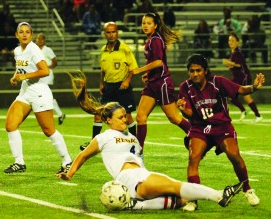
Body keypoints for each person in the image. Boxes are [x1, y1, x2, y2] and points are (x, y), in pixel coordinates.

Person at [57, 72, 243, 211]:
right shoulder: (103, 137)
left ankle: (134, 205)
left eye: (125, 116)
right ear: (108, 120)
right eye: (121, 117)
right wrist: (70, 173)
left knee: (180, 200)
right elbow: (83, 155)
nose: (125, 120)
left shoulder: (132, 138)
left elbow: (139, 159)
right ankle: (219, 196)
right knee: (176, 186)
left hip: (141, 176)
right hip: (131, 178)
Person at [177, 54, 263, 211]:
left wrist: (254, 87)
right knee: (193, 158)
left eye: (198, 70)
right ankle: (193, 199)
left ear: (205, 71)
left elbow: (240, 90)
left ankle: (247, 189)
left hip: (221, 126)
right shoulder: (185, 87)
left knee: (234, 156)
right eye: (191, 71)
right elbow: (190, 113)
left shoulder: (218, 82)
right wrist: (182, 110)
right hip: (199, 128)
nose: (195, 74)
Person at [4, 22, 72, 174]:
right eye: (21, 32)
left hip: (39, 92)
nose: (24, 34)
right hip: (25, 92)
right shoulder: (17, 50)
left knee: (49, 130)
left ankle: (67, 161)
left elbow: (45, 70)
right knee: (10, 125)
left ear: (31, 35)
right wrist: (15, 77)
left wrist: (25, 76)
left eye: (27, 32)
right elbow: (21, 68)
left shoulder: (33, 49)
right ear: (17, 35)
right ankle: (19, 162)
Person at [130, 12, 191, 155]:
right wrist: (148, 74)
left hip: (162, 84)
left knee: (174, 118)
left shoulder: (155, 40)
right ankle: (139, 152)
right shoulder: (152, 39)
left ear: (155, 25)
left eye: (149, 23)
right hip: (153, 83)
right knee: (140, 117)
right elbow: (155, 62)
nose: (145, 26)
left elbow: (158, 62)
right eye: (144, 23)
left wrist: (140, 70)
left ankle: (198, 135)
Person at [79, 22, 138, 151]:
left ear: (117, 33)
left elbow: (134, 68)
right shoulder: (103, 50)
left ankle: (135, 143)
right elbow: (103, 70)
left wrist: (127, 81)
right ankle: (93, 145)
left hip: (122, 87)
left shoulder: (125, 49)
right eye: (108, 32)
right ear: (104, 34)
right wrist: (102, 82)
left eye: (113, 32)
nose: (111, 35)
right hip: (108, 87)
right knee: (98, 114)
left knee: (127, 117)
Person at [222, 32, 262, 122]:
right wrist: (230, 66)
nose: (230, 42)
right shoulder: (233, 53)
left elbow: (240, 65)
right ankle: (243, 110)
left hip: (243, 77)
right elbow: (235, 66)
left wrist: (229, 63)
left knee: (246, 96)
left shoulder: (237, 53)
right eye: (229, 40)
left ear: (237, 42)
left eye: (232, 40)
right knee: (228, 94)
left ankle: (258, 115)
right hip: (237, 77)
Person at [35, 33, 66, 125]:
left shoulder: (47, 50)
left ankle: (48, 117)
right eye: (38, 39)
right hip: (40, 75)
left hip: (47, 75)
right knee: (44, 95)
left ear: (44, 40)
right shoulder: (35, 50)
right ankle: (60, 114)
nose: (39, 41)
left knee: (43, 94)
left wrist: (49, 67)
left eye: (41, 39)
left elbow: (55, 61)